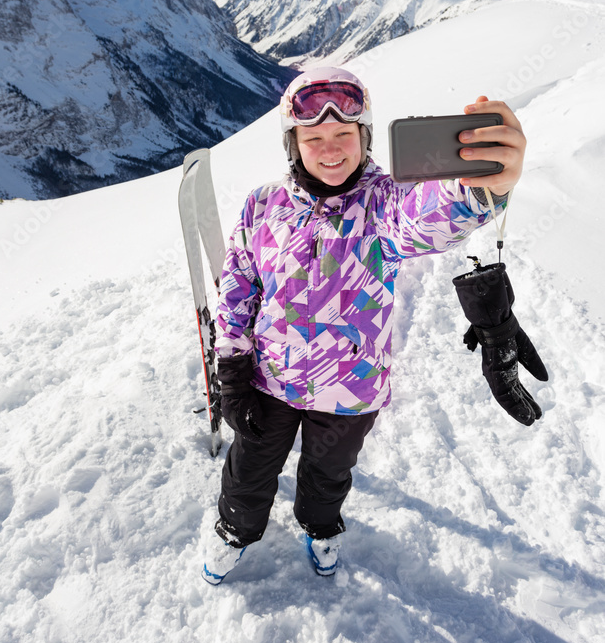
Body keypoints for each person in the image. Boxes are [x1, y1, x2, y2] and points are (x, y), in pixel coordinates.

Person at [201, 66, 526, 585]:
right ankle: (234, 532)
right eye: (314, 137)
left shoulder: (383, 203)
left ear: (364, 136)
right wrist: (233, 370)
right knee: (249, 470)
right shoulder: (263, 205)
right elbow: (238, 288)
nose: (330, 149)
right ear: (294, 142)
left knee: (328, 475)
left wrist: (481, 190)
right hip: (270, 381)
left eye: (344, 135)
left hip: (350, 390)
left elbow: (426, 215)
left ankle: (320, 527)